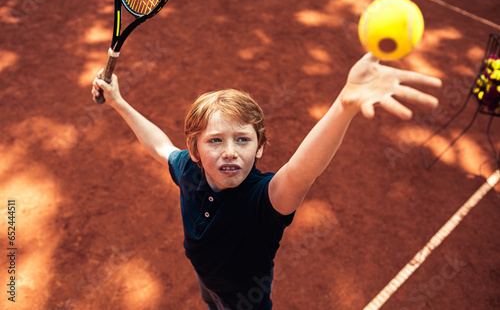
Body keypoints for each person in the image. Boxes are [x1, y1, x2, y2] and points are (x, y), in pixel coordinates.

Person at [91, 53, 441, 309]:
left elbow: (304, 169)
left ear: (260, 149)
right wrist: (119, 101)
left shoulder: (265, 200)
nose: (230, 151)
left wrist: (344, 106)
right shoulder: (188, 169)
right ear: (194, 150)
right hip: (207, 280)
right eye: (215, 140)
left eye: (243, 140)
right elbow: (159, 145)